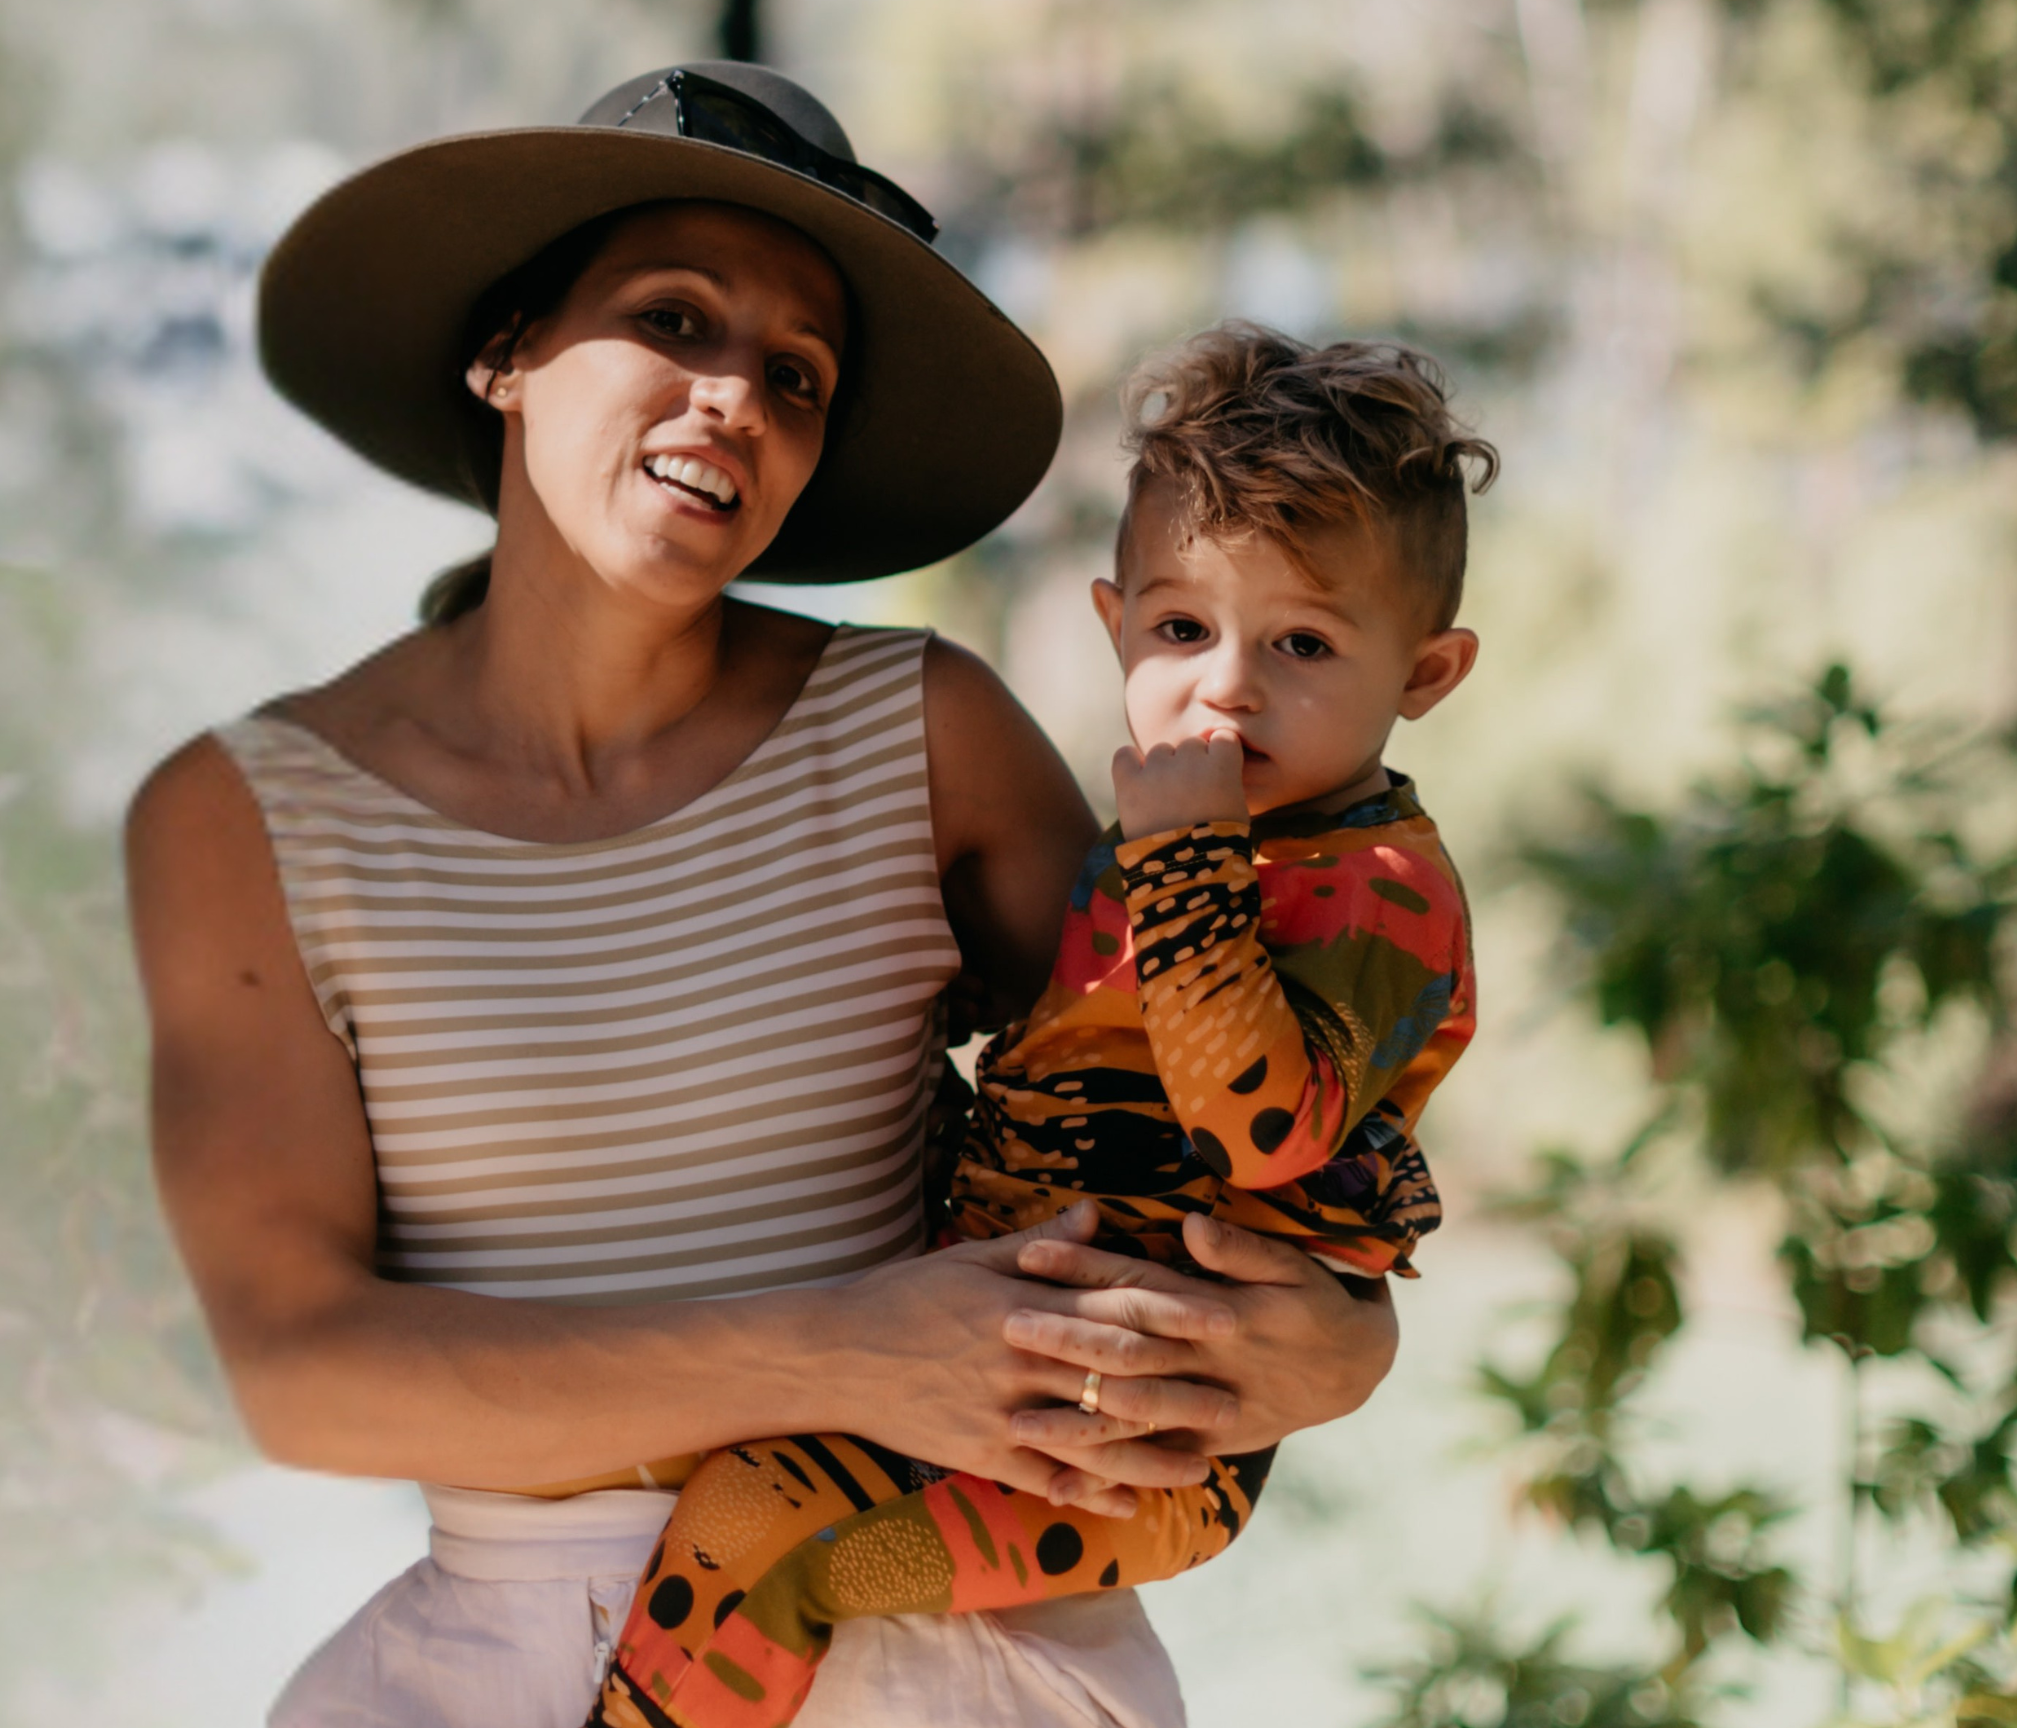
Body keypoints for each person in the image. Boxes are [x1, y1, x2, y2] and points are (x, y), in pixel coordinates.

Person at [132, 61, 1397, 1727]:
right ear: (505, 353)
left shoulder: (917, 732)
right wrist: (841, 1349)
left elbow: (1199, 1100)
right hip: (497, 1664)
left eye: (794, 375)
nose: (736, 394)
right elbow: (301, 1373)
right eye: (674, 319)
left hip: (945, 1639)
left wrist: (1343, 1349)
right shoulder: (248, 818)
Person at [592, 323, 1494, 1728]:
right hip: (1009, 1361)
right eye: (1183, 629)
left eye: (1304, 642)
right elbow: (1065, 1068)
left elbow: (1260, 1122)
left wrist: (1183, 865)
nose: (1229, 685)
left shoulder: (1379, 895)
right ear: (1114, 621)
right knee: (744, 1513)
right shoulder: (1152, 856)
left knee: (783, 1547)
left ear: (1426, 678)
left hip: (1138, 1442)